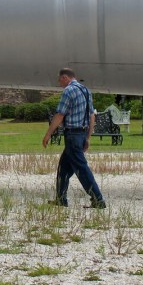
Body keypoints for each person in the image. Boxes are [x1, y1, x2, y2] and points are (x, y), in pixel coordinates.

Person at [42, 67, 106, 208]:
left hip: (72, 135)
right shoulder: (85, 90)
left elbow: (60, 114)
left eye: (60, 80)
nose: (59, 83)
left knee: (81, 168)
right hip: (81, 134)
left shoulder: (68, 91)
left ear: (65, 77)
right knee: (63, 168)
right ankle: (61, 199)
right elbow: (91, 116)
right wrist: (87, 137)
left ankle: (98, 199)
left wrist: (48, 134)